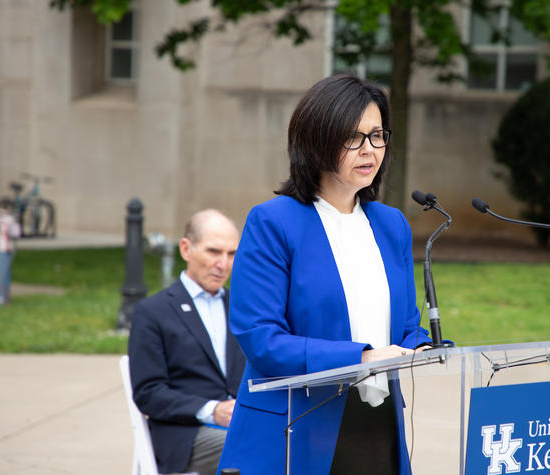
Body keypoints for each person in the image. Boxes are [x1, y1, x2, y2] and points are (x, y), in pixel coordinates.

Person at [218, 74, 431, 475]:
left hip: (378, 426)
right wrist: (361, 357)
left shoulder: (391, 224)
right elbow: (260, 339)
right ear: (317, 141)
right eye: (353, 138)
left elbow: (404, 325)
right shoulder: (273, 222)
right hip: (296, 430)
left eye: (377, 135)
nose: (370, 150)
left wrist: (423, 345)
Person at [128, 209, 246, 475]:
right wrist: (212, 410)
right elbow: (148, 393)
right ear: (186, 249)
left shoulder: (241, 307)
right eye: (214, 252)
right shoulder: (153, 312)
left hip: (243, 422)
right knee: (254, 446)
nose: (223, 264)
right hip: (186, 434)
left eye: (231, 254)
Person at [0, 206, 20, 305]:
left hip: (7, 249)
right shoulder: (3, 220)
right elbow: (14, 233)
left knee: (5, 274)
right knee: (1, 274)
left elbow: (15, 233)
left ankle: (4, 296)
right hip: (2, 250)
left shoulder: (4, 220)